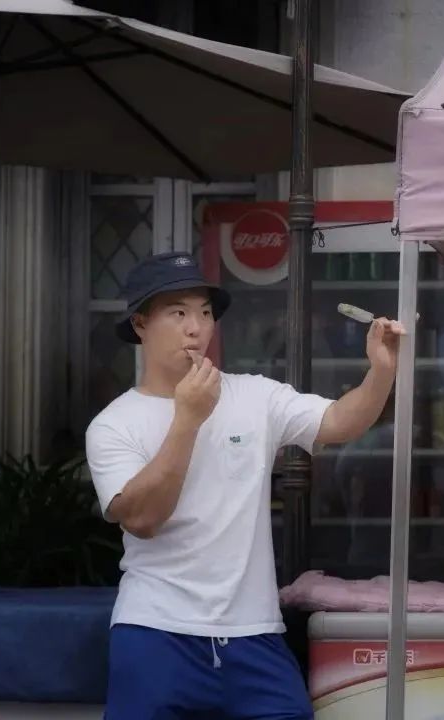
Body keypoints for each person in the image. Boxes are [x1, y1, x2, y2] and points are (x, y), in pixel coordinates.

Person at [85, 252, 403, 720]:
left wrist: (381, 371)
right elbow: (143, 518)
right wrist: (187, 420)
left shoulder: (255, 394)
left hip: (254, 632)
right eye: (178, 313)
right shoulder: (114, 424)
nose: (196, 327)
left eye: (205, 312)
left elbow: (339, 421)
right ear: (140, 324)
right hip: (156, 630)